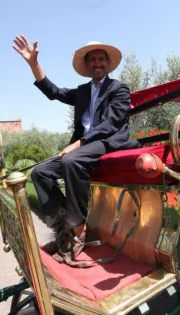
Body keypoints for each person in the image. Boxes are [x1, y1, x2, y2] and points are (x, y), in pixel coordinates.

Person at [12, 35, 139, 262]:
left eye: (102, 59)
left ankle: (79, 230)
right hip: (85, 146)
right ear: (87, 65)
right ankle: (64, 230)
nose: (97, 63)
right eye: (93, 60)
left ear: (108, 64)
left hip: (109, 142)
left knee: (71, 160)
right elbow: (54, 92)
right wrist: (33, 64)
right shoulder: (82, 91)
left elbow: (111, 124)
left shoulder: (119, 89)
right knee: (39, 173)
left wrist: (79, 143)